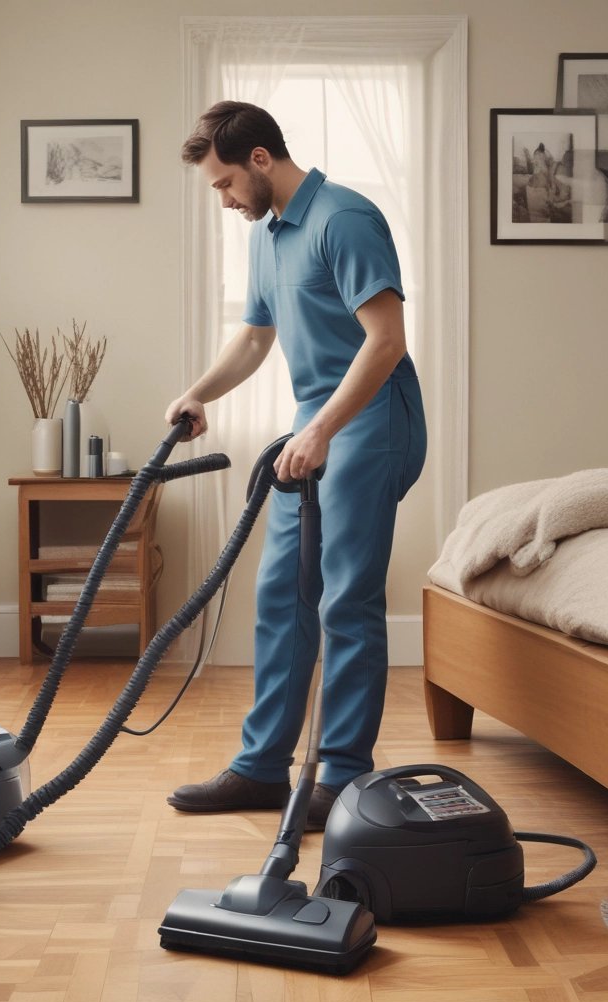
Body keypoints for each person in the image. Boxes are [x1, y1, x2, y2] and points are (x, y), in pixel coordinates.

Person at [165, 100, 427, 830]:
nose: (222, 200)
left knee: (344, 598)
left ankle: (341, 776)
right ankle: (259, 768)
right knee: (282, 594)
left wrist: (321, 430)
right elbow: (254, 339)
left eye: (223, 184)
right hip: (310, 431)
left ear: (258, 160)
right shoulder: (268, 233)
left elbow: (385, 342)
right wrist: (198, 392)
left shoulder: (345, 220)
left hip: (371, 422)